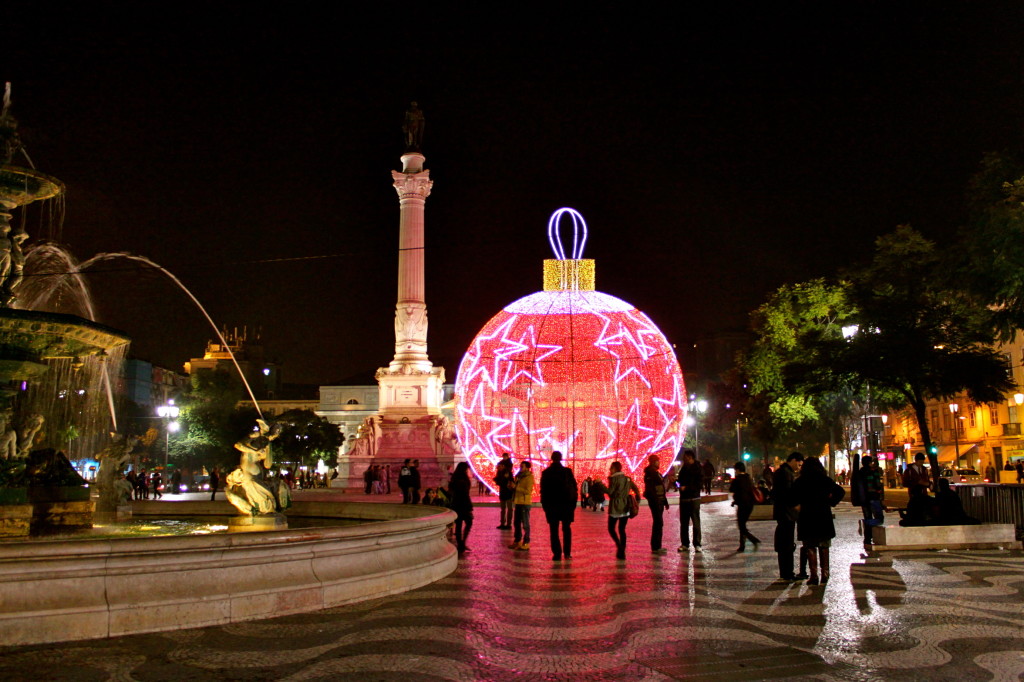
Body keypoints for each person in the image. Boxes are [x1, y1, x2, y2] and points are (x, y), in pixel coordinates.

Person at [791, 457, 845, 585]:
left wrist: (798, 505)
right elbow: (840, 491)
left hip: (807, 515)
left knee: (810, 546)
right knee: (824, 545)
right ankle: (825, 574)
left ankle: (814, 575)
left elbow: (792, 496)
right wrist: (831, 502)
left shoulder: (801, 481)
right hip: (823, 515)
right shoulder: (824, 480)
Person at [540, 451, 577, 561]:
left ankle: (557, 553)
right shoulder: (567, 472)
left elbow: (543, 491)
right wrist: (573, 504)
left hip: (552, 506)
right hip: (566, 505)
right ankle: (567, 553)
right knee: (566, 529)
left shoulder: (546, 473)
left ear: (551, 458)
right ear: (561, 458)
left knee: (553, 530)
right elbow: (574, 488)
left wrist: (545, 506)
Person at [772, 452, 804, 580]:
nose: (799, 467)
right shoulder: (786, 473)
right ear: (793, 460)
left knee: (785, 543)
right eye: (798, 463)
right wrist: (795, 505)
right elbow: (786, 493)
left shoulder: (782, 471)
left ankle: (786, 572)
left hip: (783, 513)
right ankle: (787, 573)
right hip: (787, 513)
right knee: (787, 543)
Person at [606, 461, 641, 561]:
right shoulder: (627, 478)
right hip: (625, 507)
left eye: (611, 468)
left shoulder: (614, 479)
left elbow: (610, 493)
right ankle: (622, 551)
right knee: (622, 529)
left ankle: (619, 546)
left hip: (615, 507)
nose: (610, 470)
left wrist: (601, 485)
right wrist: (637, 501)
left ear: (615, 468)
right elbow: (636, 490)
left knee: (611, 528)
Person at [729, 461, 761, 552]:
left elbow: (732, 490)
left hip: (742, 505)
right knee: (742, 525)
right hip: (750, 505)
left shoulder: (737, 479)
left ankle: (753, 540)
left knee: (741, 526)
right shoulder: (748, 478)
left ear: (737, 470)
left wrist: (735, 500)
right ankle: (742, 546)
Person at [676, 449, 703, 551]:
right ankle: (685, 544)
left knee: (696, 522)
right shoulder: (683, 468)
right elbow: (679, 482)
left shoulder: (698, 468)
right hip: (684, 499)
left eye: (685, 457)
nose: (683, 458)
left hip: (694, 499)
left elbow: (699, 484)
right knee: (684, 523)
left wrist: (686, 488)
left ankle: (697, 544)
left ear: (690, 457)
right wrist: (676, 484)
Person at [643, 454, 670, 553]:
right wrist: (656, 501)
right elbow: (651, 490)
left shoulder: (655, 473)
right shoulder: (650, 474)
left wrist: (665, 502)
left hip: (660, 501)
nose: (659, 463)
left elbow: (661, 488)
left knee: (659, 523)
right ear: (653, 462)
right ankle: (656, 547)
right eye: (657, 461)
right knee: (658, 523)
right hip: (656, 502)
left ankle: (657, 546)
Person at [858, 454, 885, 546]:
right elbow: (877, 484)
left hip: (864, 499)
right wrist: (880, 494)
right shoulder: (873, 471)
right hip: (873, 497)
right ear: (870, 463)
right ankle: (865, 524)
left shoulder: (860, 472)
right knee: (879, 518)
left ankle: (868, 539)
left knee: (868, 516)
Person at [508, 461, 534, 551]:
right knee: (516, 523)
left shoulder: (529, 477)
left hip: (524, 503)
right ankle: (517, 540)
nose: (520, 468)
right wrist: (511, 487)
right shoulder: (519, 476)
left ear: (527, 467)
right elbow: (516, 488)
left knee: (525, 524)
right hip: (518, 502)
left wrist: (516, 487)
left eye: (522, 466)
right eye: (520, 466)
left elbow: (528, 491)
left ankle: (526, 542)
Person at [449, 462, 474, 555]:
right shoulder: (464, 480)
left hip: (456, 504)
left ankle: (461, 544)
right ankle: (462, 543)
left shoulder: (454, 479)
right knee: (468, 522)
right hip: (464, 504)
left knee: (459, 525)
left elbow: (451, 491)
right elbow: (465, 494)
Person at [494, 453, 515, 530]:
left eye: (499, 466)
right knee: (503, 509)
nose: (498, 468)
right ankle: (503, 523)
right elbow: (499, 482)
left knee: (509, 509)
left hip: (508, 492)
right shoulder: (499, 473)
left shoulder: (508, 472)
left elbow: (510, 481)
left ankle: (508, 524)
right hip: (503, 492)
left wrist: (502, 480)